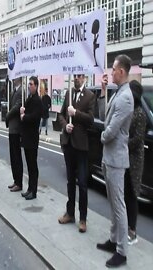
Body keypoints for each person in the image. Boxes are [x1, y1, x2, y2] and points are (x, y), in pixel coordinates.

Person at [96, 54, 134, 268]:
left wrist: (101, 137)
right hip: (108, 158)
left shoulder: (126, 97)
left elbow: (109, 131)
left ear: (121, 71)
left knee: (119, 206)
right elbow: (104, 116)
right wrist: (102, 91)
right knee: (112, 203)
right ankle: (113, 240)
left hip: (116, 160)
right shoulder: (117, 94)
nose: (111, 73)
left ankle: (122, 251)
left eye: (113, 69)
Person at [57, 74, 95, 233]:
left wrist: (75, 113)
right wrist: (65, 125)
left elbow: (91, 119)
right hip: (68, 143)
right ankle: (70, 212)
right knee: (70, 181)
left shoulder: (90, 96)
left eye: (79, 76)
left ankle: (83, 218)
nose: (76, 79)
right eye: (75, 76)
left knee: (83, 184)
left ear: (84, 78)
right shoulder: (68, 94)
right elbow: (60, 115)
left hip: (81, 146)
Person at [124, 80, 146, 245]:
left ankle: (132, 231)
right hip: (126, 159)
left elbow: (137, 139)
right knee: (125, 195)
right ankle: (126, 227)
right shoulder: (130, 111)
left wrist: (122, 142)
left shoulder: (140, 113)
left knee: (132, 195)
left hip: (135, 161)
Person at [19, 76, 42, 200]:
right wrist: (22, 110)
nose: (29, 86)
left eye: (31, 84)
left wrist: (24, 116)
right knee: (29, 164)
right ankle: (29, 188)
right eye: (29, 84)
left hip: (32, 137)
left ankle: (34, 191)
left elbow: (35, 117)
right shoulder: (29, 98)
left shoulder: (37, 100)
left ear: (36, 86)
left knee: (33, 165)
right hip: (27, 136)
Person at [7, 77, 24, 192]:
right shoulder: (14, 91)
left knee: (17, 156)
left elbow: (17, 107)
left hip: (17, 128)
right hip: (12, 128)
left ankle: (19, 182)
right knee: (12, 156)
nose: (13, 78)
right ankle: (15, 180)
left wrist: (7, 115)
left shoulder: (21, 91)